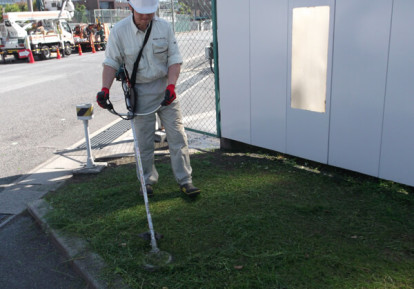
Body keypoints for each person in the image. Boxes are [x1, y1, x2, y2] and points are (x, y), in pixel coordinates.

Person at [96, 0, 200, 197]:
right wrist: (104, 90)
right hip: (139, 92)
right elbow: (110, 62)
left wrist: (171, 86)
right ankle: (147, 181)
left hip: (164, 88)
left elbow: (174, 59)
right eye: (141, 13)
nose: (145, 18)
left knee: (177, 136)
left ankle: (186, 180)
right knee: (143, 141)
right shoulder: (119, 31)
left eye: (149, 14)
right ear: (130, 9)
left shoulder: (164, 27)